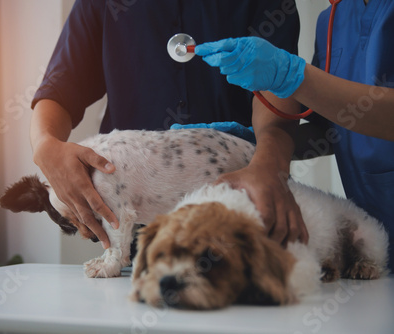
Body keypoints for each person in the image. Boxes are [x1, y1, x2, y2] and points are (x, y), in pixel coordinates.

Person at [30, 0, 308, 250]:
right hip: (139, 226)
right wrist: (45, 146)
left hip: (243, 205)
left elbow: (280, 84)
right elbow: (60, 89)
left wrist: (272, 168)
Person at [194, 0, 394, 269]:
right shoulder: (333, 17)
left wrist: (294, 76)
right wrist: (250, 143)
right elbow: (333, 131)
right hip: (374, 246)